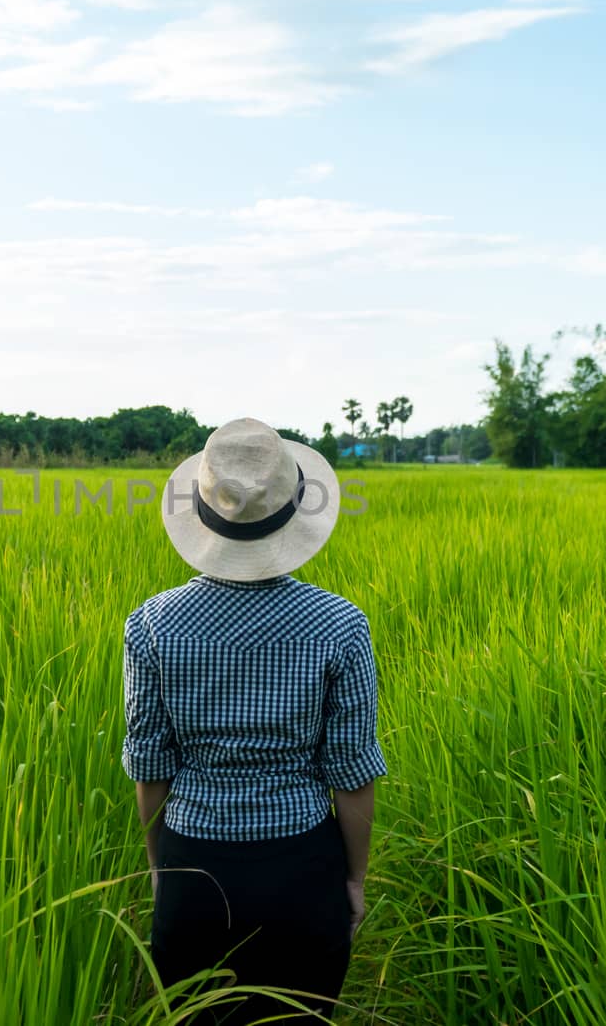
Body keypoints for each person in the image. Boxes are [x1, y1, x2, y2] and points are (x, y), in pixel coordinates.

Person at [121, 417, 388, 1024]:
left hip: (194, 867)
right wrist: (354, 879)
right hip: (302, 872)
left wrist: (161, 872)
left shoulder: (153, 624)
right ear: (290, 513)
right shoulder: (340, 625)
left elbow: (151, 768)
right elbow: (352, 774)